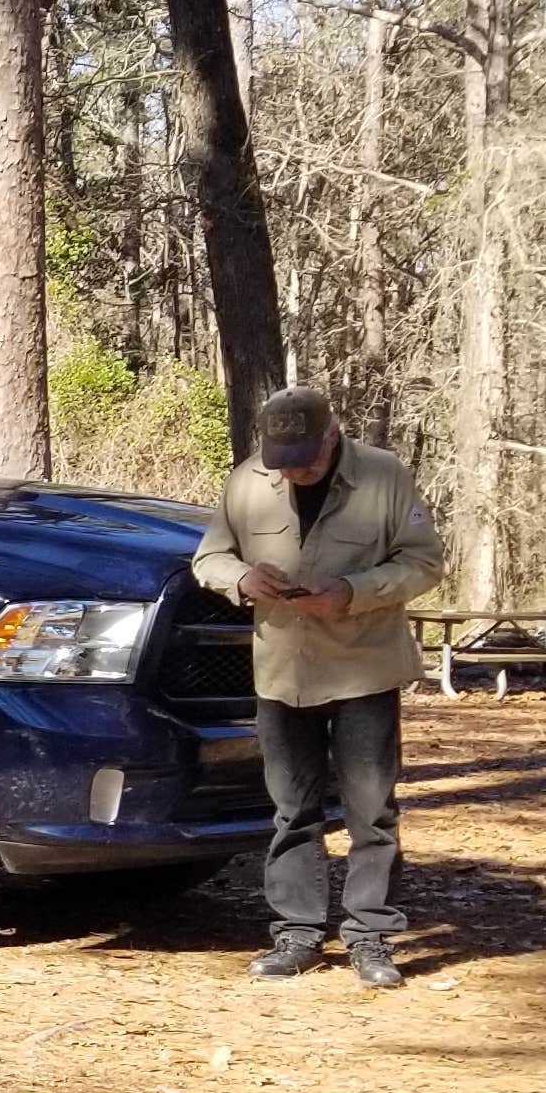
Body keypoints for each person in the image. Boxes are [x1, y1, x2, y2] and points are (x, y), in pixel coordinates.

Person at [192, 384, 442, 989]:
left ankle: (369, 935)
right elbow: (208, 559)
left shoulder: (385, 476)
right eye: (284, 458)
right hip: (282, 671)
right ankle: (297, 934)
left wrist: (354, 592)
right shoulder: (247, 481)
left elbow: (425, 562)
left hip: (365, 670)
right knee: (292, 812)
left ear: (333, 435)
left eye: (307, 454)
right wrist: (244, 578)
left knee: (370, 811)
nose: (296, 468)